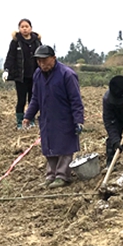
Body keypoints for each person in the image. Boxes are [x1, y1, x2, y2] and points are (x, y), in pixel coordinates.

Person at [23, 45, 85, 188]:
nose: (42, 64)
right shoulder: (38, 75)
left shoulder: (67, 75)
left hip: (64, 117)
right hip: (47, 117)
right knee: (49, 147)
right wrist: (28, 115)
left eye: (45, 60)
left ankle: (63, 176)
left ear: (54, 58)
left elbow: (76, 100)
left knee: (64, 147)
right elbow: (35, 98)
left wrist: (78, 120)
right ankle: (51, 175)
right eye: (39, 61)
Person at [2, 19, 43, 129]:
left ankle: (31, 120)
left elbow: (42, 56)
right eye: (22, 27)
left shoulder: (37, 41)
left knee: (33, 99)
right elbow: (10, 57)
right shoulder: (16, 42)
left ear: (31, 28)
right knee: (21, 100)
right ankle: (20, 121)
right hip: (20, 77)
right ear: (19, 29)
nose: (24, 28)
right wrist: (6, 69)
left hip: (34, 75)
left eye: (26, 26)